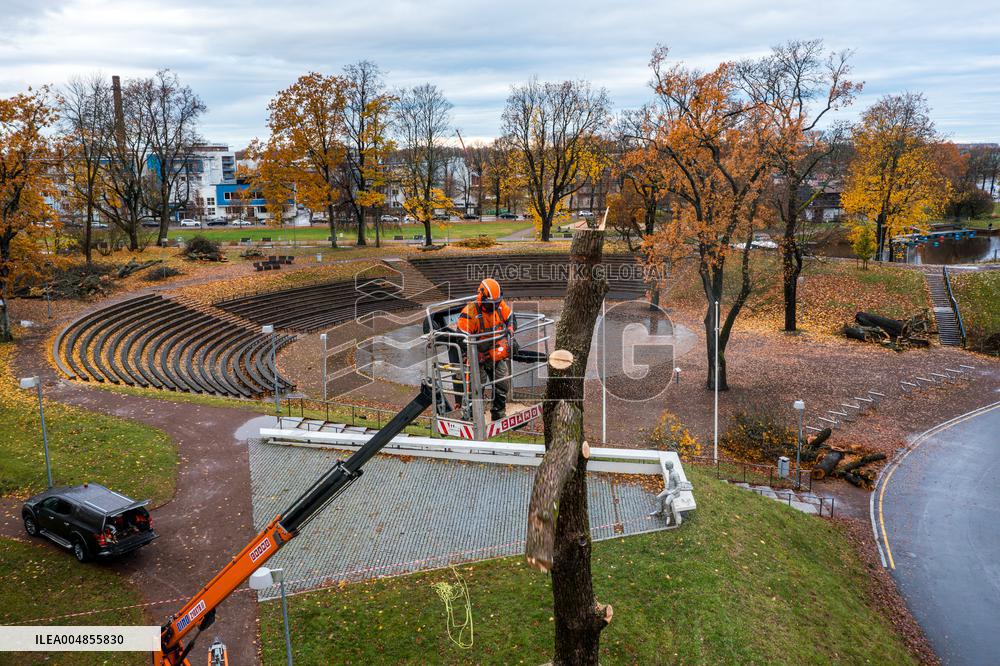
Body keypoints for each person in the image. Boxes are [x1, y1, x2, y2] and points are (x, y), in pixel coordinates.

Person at [454, 278, 516, 420]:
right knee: (476, 387)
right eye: (492, 303)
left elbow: (511, 317)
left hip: (494, 350)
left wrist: (511, 329)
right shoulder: (469, 313)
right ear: (481, 296)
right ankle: (470, 415)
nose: (495, 306)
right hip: (476, 354)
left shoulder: (500, 306)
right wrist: (477, 354)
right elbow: (461, 338)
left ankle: (498, 412)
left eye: (497, 302)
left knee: (502, 381)